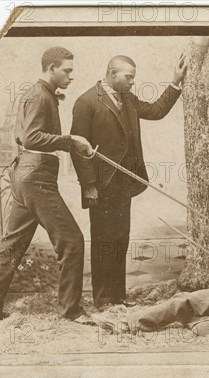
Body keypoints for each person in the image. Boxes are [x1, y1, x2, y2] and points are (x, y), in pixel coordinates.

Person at [0, 47, 94, 325]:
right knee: (72, 241)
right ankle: (71, 310)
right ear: (51, 68)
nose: (70, 76)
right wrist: (71, 140)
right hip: (36, 176)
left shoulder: (41, 95)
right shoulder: (39, 95)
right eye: (67, 70)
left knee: (12, 245)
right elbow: (32, 138)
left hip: (26, 175)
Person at [70, 54, 187, 307]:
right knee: (103, 240)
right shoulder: (86, 102)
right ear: (112, 73)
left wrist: (175, 82)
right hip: (100, 186)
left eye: (133, 77)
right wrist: (88, 185)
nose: (133, 81)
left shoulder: (129, 99)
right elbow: (77, 149)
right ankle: (102, 299)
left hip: (124, 185)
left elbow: (156, 111)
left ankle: (117, 297)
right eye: (128, 76)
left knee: (120, 238)